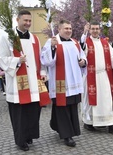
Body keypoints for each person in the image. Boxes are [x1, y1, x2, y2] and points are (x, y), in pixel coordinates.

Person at [0, 10, 50, 151]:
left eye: (29, 21)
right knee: (20, 113)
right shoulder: (8, 37)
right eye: (25, 20)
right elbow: (1, 59)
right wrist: (17, 60)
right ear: (17, 19)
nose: (27, 23)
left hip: (33, 81)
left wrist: (43, 72)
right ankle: (20, 140)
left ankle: (29, 135)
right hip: (17, 83)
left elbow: (40, 59)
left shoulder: (35, 39)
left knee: (32, 111)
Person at [41, 19, 87, 147]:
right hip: (60, 82)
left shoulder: (75, 43)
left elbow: (82, 56)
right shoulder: (53, 41)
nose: (68, 31)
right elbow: (46, 61)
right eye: (66, 28)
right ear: (59, 29)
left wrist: (83, 61)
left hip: (74, 82)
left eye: (70, 28)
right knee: (62, 107)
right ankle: (67, 135)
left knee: (71, 106)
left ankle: (57, 125)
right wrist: (52, 47)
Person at [80, 21, 113, 133]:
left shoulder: (105, 43)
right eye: (93, 29)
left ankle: (109, 123)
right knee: (90, 101)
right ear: (90, 30)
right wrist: (84, 33)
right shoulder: (86, 42)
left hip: (103, 75)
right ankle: (88, 122)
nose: (95, 31)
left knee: (106, 99)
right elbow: (80, 51)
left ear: (99, 30)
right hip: (90, 76)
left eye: (97, 29)